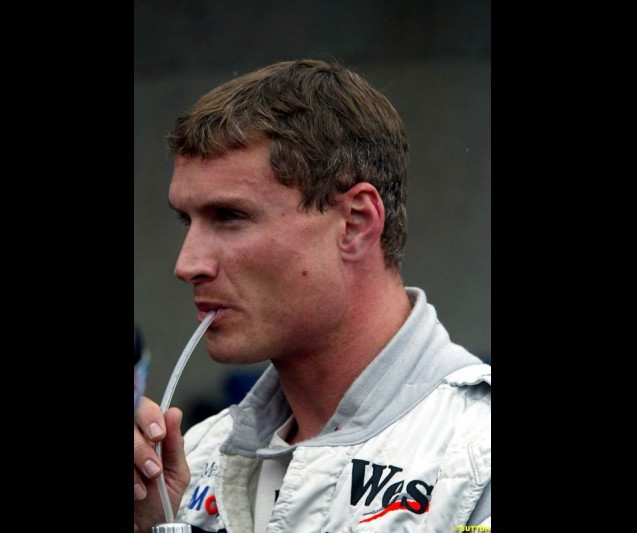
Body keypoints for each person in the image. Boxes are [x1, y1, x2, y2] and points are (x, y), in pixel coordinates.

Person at [134, 59, 491, 532]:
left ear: (356, 223)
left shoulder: (476, 457)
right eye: (188, 221)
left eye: (228, 216)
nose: (187, 264)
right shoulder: (192, 458)